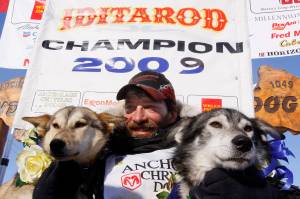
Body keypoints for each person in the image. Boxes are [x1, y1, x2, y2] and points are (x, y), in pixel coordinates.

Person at [33, 71, 300, 199]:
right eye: (130, 108)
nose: (137, 116)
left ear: (172, 111)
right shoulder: (99, 152)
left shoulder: (206, 147)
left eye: (149, 107)